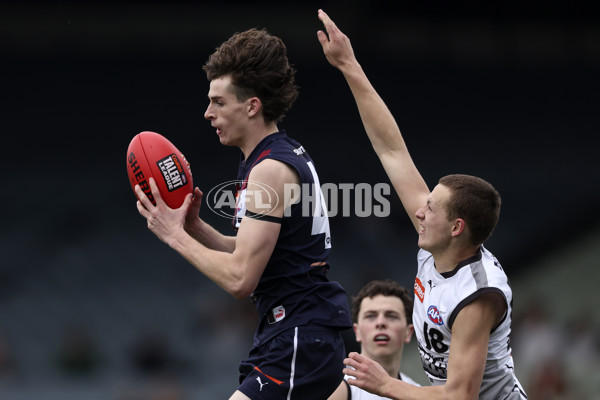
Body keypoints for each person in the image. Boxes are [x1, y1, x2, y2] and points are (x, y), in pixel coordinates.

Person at [316, 9, 527, 400]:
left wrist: (384, 385)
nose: (418, 211)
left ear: (457, 227)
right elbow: (392, 150)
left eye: (431, 208)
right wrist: (349, 65)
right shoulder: (439, 242)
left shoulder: (479, 294)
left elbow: (460, 396)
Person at [135, 27, 352, 399]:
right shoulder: (276, 156)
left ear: (252, 106)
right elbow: (256, 251)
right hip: (295, 333)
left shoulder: (269, 169)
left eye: (218, 102)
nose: (207, 113)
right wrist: (195, 228)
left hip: (299, 333)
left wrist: (174, 236)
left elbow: (240, 279)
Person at [329, 279, 420, 400]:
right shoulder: (337, 387)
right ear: (357, 331)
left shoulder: (418, 392)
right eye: (370, 316)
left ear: (409, 332)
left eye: (391, 316)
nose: (381, 323)